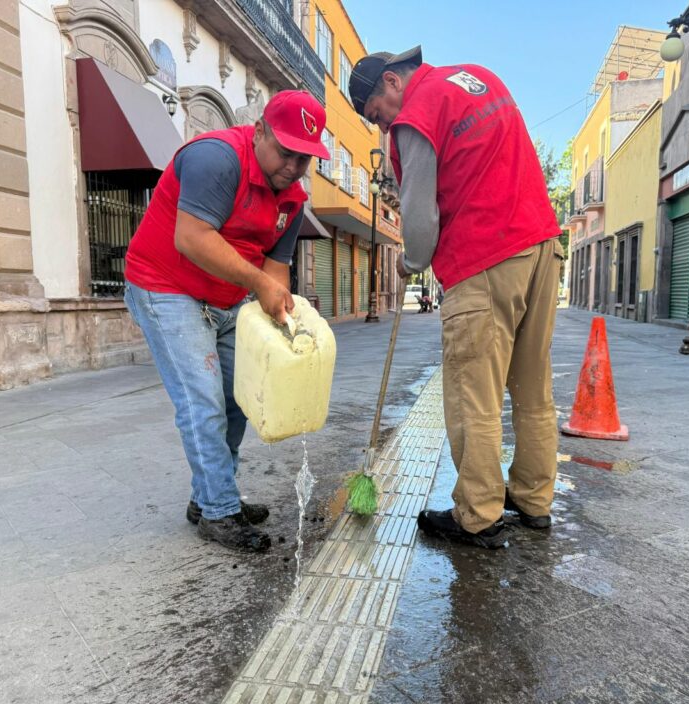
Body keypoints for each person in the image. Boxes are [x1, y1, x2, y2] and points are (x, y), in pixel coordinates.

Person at [349, 47, 563, 550]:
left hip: (485, 258)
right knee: (533, 388)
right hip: (541, 247)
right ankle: (533, 499)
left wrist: (410, 260)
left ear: (391, 82)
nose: (383, 127)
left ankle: (478, 514)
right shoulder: (478, 78)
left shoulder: (416, 114)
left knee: (474, 396)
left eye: (377, 115)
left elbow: (420, 217)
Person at [123, 90, 330, 553]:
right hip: (164, 286)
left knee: (240, 397)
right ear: (259, 132)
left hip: (227, 299)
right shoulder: (216, 158)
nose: (293, 167)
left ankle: (211, 496)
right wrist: (259, 284)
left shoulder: (293, 199)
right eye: (286, 151)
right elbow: (192, 237)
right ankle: (219, 511)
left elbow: (275, 271)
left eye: (304, 158)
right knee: (203, 401)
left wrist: (285, 326)